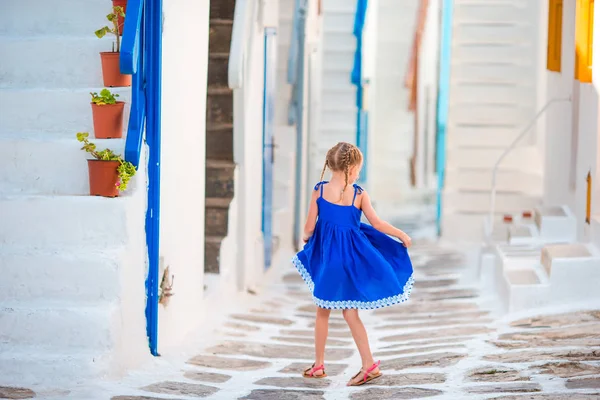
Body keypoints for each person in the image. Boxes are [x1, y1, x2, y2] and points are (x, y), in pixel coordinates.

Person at [292, 142, 414, 386]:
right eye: (359, 168)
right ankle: (368, 364)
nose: (359, 173)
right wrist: (400, 234)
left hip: (329, 262)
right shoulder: (359, 194)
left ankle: (318, 365)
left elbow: (307, 229)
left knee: (322, 311)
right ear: (351, 168)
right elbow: (377, 224)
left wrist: (309, 238)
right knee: (350, 312)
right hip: (353, 259)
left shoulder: (319, 191)